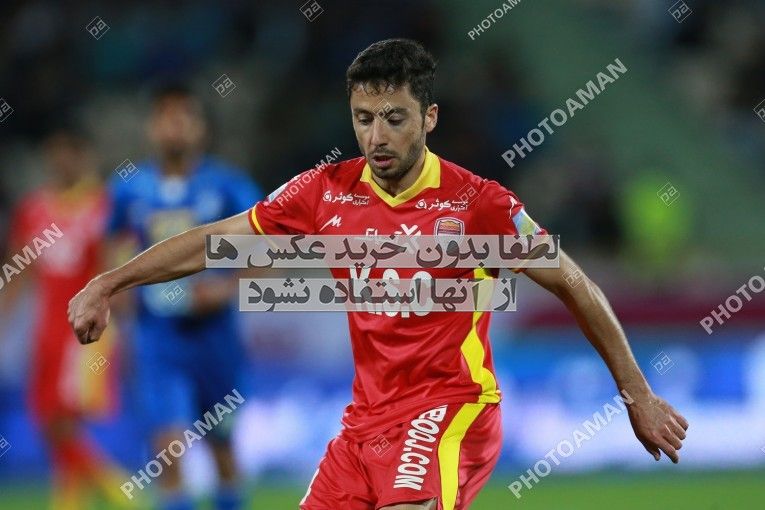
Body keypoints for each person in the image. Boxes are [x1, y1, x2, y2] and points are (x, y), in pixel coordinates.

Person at [69, 40, 688, 510]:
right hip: (365, 424)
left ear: (430, 117)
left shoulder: (479, 204)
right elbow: (213, 243)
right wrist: (109, 282)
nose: (377, 136)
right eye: (364, 118)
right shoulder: (323, 191)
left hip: (450, 406)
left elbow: (574, 283)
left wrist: (636, 394)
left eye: (394, 117)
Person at [106, 84, 261, 510]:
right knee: (168, 448)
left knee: (222, 449)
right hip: (158, 337)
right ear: (152, 127)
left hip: (215, 337)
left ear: (201, 127)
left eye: (184, 116)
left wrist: (227, 289)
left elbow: (269, 247)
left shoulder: (228, 186)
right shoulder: (129, 188)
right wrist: (117, 288)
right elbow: (112, 243)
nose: (174, 125)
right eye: (165, 116)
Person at [4, 130, 130, 510]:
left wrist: (120, 319)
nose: (63, 161)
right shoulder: (32, 209)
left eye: (71, 153)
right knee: (48, 421)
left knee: (62, 424)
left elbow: (118, 265)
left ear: (85, 157)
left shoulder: (104, 206)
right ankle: (74, 502)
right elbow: (17, 271)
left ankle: (125, 495)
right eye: (56, 153)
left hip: (85, 331)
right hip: (46, 331)